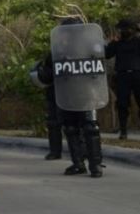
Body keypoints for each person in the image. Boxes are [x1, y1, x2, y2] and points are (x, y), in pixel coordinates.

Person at [39, 18, 106, 177]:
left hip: (87, 95)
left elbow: (99, 68)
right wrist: (42, 73)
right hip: (67, 96)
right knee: (70, 129)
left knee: (91, 128)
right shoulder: (57, 52)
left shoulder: (91, 48)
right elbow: (48, 74)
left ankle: (95, 165)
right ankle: (78, 164)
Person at [105, 18, 140, 140]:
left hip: (137, 74)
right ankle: (123, 131)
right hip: (122, 75)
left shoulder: (138, 41)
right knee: (122, 104)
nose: (122, 31)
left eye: (124, 29)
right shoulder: (118, 43)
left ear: (131, 30)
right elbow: (107, 54)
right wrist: (112, 43)